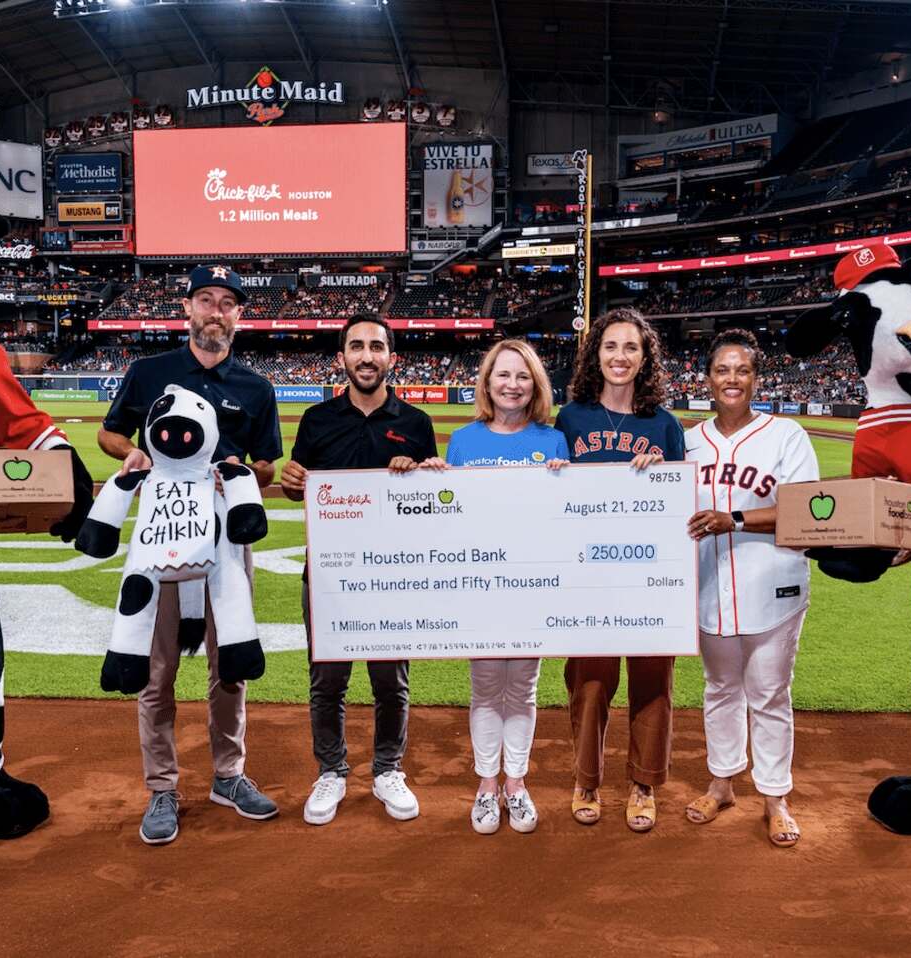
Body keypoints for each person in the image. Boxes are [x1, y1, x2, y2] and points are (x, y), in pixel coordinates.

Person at [97, 265, 282, 846]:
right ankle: (162, 787)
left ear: (238, 317)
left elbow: (269, 464)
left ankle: (228, 775)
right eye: (207, 299)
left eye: (228, 303)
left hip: (225, 545)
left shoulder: (255, 386)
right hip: (162, 541)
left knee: (230, 668)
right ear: (188, 309)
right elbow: (110, 434)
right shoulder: (150, 372)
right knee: (158, 672)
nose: (217, 311)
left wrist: (243, 477)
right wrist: (136, 456)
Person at [279, 314, 439, 825]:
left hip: (393, 576)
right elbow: (300, 487)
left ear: (392, 356)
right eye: (356, 346)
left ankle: (388, 768)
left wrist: (419, 475)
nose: (366, 356)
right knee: (327, 680)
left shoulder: (415, 424)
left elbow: (433, 505)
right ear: (342, 356)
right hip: (328, 574)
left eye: (376, 346)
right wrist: (291, 480)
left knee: (391, 682)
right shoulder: (316, 420)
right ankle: (331, 770)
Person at [420, 340, 569, 834]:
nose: (512, 384)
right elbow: (450, 517)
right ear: (486, 383)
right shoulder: (463, 440)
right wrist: (433, 481)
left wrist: (563, 481)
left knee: (523, 688)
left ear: (535, 385)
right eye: (503, 375)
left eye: (522, 376)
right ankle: (487, 784)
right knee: (485, 687)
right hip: (480, 585)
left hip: (531, 584)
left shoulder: (552, 441)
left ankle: (517, 782)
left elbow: (566, 516)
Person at [683, 328, 818, 847]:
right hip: (709, 587)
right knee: (720, 689)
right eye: (723, 370)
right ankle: (721, 783)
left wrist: (732, 518)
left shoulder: (787, 436)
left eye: (742, 370)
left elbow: (805, 508)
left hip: (774, 585)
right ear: (709, 379)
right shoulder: (690, 440)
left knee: (768, 694)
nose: (732, 378)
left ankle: (775, 795)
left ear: (756, 378)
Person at [553, 308, 686, 832]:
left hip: (649, 575)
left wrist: (663, 478)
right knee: (588, 682)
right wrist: (555, 473)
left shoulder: (665, 425)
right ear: (596, 354)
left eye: (631, 347)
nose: (620, 357)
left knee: (652, 682)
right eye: (611, 346)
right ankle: (587, 778)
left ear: (645, 357)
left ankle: (643, 783)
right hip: (588, 575)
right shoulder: (571, 419)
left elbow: (679, 504)